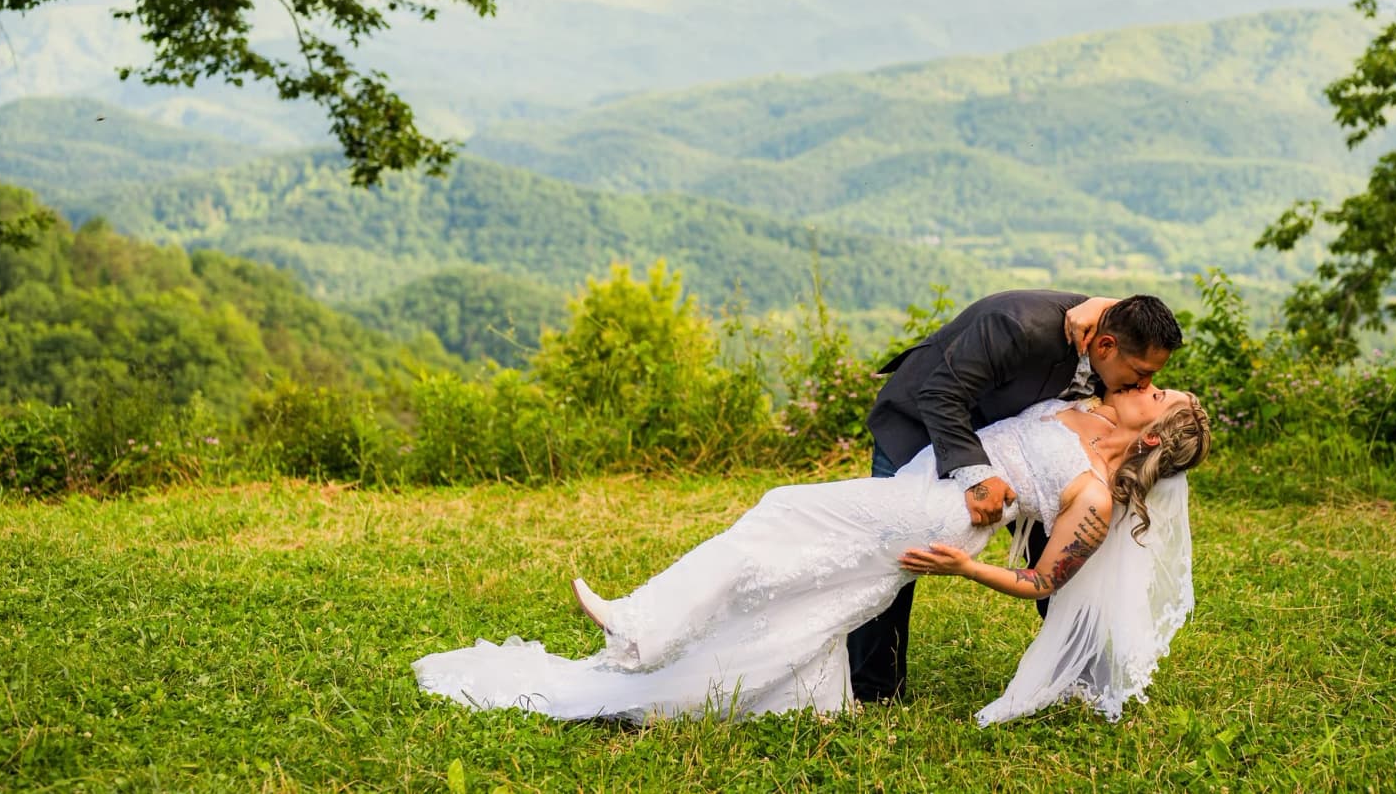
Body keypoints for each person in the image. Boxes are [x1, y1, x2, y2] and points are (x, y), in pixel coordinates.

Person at [411, 387, 1210, 725]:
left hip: (939, 514)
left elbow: (1040, 578)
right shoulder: (1080, 402)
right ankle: (806, 701)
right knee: (817, 596)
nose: (1147, 383)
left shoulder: (1097, 499)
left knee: (783, 509)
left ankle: (642, 624)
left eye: (1158, 395)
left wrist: (965, 567)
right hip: (936, 476)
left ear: (1151, 434)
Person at [846, 291, 1182, 702]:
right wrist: (976, 474)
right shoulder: (1018, 326)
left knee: (1059, 553)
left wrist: (1099, 301)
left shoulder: (1107, 332)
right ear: (1107, 346)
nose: (1146, 385)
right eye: (1141, 373)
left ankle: (1081, 676)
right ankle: (873, 691)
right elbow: (940, 394)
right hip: (921, 422)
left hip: (1021, 453)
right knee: (891, 550)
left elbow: (1130, 312)